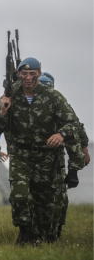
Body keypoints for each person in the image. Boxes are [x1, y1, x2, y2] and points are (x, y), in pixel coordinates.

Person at [0, 57, 85, 245]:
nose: (28, 77)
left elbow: (72, 122)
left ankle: (41, 236)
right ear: (18, 74)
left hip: (47, 157)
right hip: (20, 155)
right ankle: (25, 230)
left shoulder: (53, 97)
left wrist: (61, 134)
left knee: (45, 203)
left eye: (32, 74)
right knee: (19, 195)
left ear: (39, 74)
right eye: (24, 73)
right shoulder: (10, 95)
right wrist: (3, 111)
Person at [38, 74, 90, 239]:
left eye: (48, 88)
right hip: (33, 158)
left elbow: (76, 127)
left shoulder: (60, 106)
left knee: (59, 197)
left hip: (56, 158)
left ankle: (56, 231)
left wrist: (84, 149)